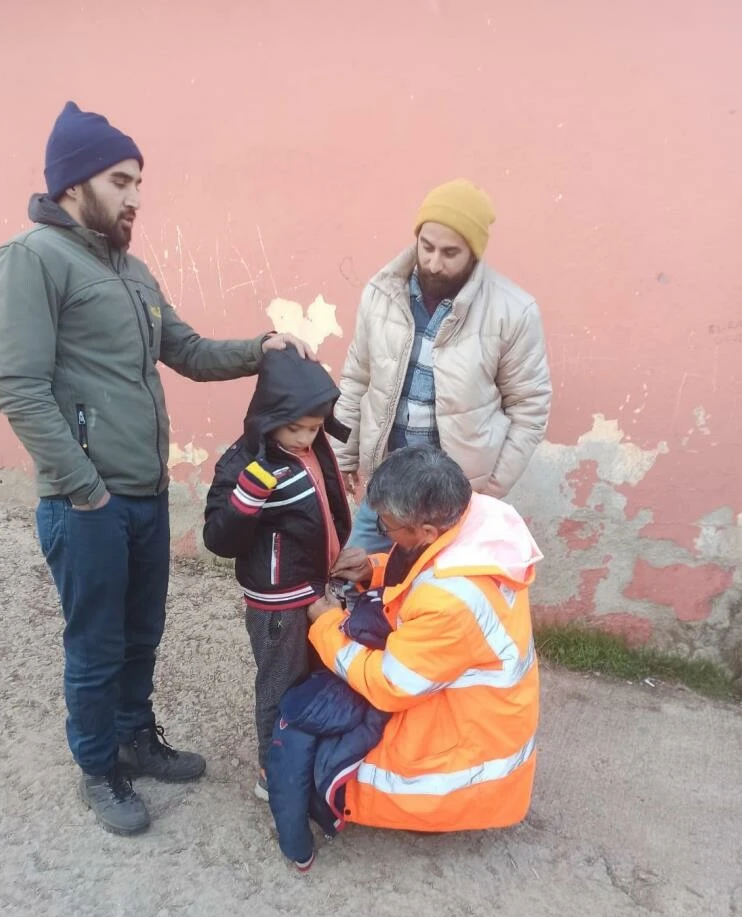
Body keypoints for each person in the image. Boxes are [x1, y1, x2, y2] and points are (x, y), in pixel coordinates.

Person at [0, 101, 311, 836]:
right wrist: (85, 488)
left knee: (142, 630)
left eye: (139, 182)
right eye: (121, 180)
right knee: (96, 643)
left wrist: (260, 348)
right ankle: (98, 765)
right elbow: (19, 389)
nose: (135, 196)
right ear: (73, 184)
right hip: (87, 501)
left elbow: (186, 351)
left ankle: (135, 737)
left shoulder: (131, 271)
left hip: (144, 495)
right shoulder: (31, 260)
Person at [297, 444, 542, 840]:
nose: (383, 533)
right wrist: (373, 569)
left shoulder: (450, 600)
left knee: (347, 753)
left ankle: (436, 814)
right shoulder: (473, 517)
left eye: (387, 526)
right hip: (480, 702)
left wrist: (326, 625)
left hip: (469, 739)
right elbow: (423, 572)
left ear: (426, 530)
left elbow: (390, 685)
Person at [333, 178, 552, 553]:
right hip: (383, 491)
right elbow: (357, 379)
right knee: (356, 588)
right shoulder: (380, 294)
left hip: (454, 503)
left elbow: (529, 408)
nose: (434, 263)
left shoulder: (514, 311)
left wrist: (487, 490)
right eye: (427, 247)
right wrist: (345, 458)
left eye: (450, 253)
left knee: (436, 605)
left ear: (474, 253)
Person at [202, 349, 352, 801]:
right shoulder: (247, 465)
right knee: (278, 682)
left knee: (311, 677)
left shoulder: (310, 450)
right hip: (279, 604)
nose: (306, 436)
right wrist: (246, 500)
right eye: (296, 428)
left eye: (313, 426)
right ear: (269, 416)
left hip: (311, 587)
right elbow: (218, 538)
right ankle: (272, 770)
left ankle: (300, 756)